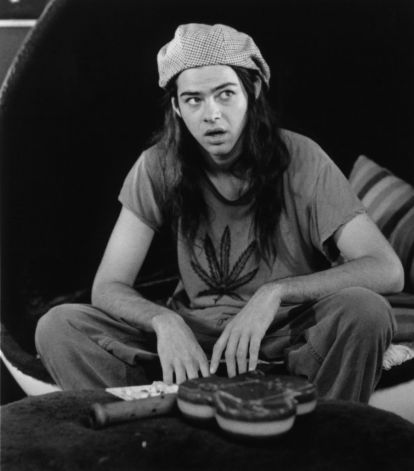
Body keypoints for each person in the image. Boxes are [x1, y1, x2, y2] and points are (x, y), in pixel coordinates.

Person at [35, 23, 404, 402]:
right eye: (193, 99)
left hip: (285, 340)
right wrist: (165, 321)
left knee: (366, 311)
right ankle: (148, 428)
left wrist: (275, 293)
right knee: (59, 326)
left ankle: (317, 430)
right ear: (177, 108)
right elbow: (108, 285)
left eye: (225, 94)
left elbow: (386, 269)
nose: (211, 114)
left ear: (253, 91)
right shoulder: (158, 165)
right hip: (193, 345)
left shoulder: (302, 157)